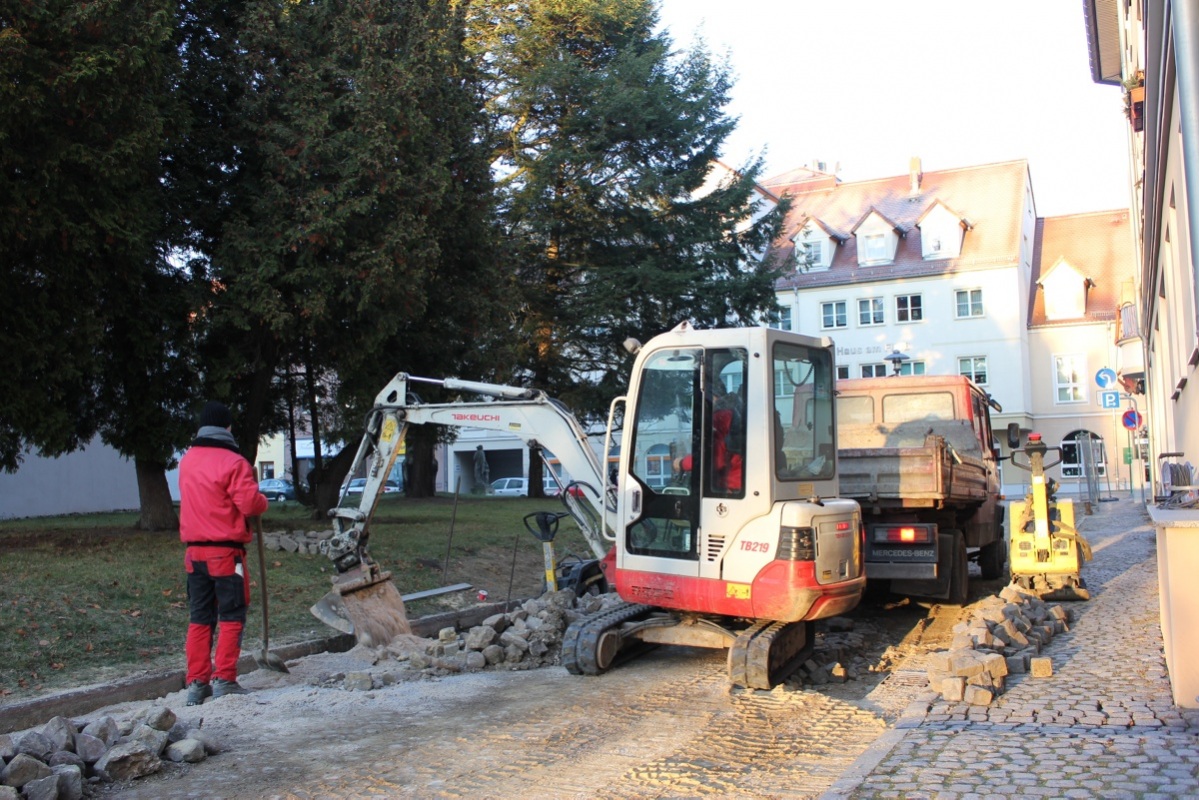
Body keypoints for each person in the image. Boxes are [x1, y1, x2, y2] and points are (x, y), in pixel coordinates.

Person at [178, 401, 268, 705]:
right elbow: (249, 505)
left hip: (194, 555)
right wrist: (261, 500)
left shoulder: (187, 460)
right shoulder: (234, 462)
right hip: (226, 554)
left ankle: (197, 683)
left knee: (200, 617)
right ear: (227, 427)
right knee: (232, 614)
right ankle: (224, 678)